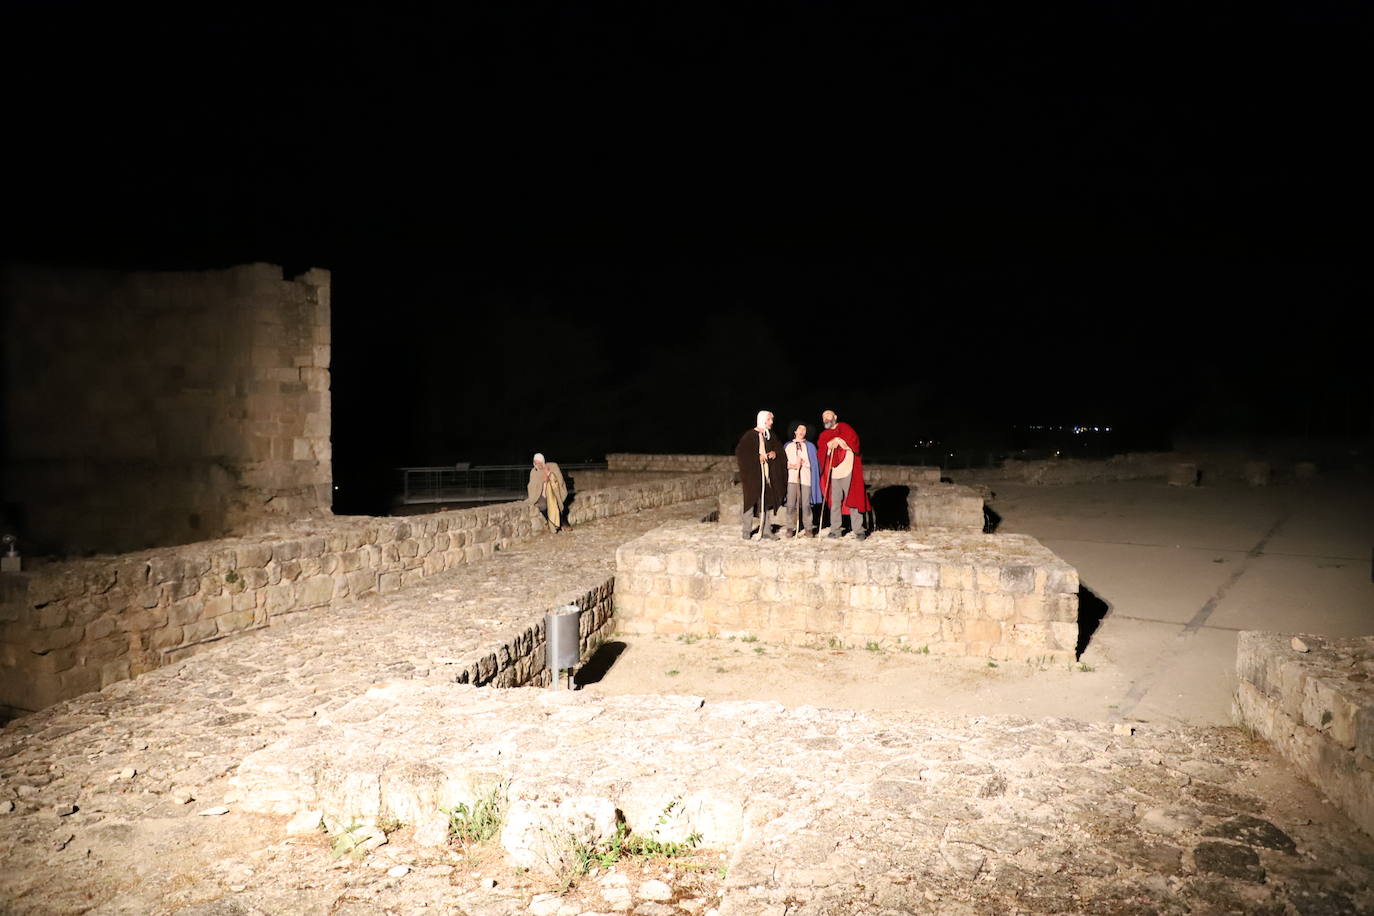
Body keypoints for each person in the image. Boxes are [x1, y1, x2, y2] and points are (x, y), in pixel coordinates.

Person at [816, 409, 871, 539]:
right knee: (835, 503)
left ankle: (859, 530)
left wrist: (839, 440)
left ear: (835, 417)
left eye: (828, 415)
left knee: (853, 500)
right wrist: (829, 445)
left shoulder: (845, 428)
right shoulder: (824, 434)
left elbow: (855, 443)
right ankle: (835, 530)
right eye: (824, 417)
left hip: (848, 470)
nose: (826, 418)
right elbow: (821, 451)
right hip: (834, 473)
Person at [734, 410, 787, 540]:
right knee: (750, 502)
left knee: (766, 502)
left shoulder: (770, 436)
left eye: (771, 420)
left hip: (767, 475)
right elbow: (741, 453)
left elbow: (779, 450)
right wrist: (757, 457)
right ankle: (746, 531)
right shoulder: (750, 435)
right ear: (762, 420)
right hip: (752, 476)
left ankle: (766, 530)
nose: (771, 422)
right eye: (769, 420)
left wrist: (774, 453)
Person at [783, 420, 821, 537]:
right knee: (790, 504)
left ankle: (808, 528)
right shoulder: (788, 446)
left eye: (804, 430)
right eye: (799, 429)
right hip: (792, 479)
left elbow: (814, 464)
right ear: (795, 431)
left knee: (806, 505)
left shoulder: (809, 446)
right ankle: (790, 527)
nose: (802, 431)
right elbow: (782, 463)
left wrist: (804, 463)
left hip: (805, 479)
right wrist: (792, 465)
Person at [526, 453, 569, 531]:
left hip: (553, 492)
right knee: (542, 505)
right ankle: (551, 522)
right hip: (541, 494)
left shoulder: (552, 466)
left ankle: (563, 522)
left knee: (556, 503)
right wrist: (543, 480)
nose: (537, 464)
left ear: (543, 461)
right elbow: (532, 485)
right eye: (536, 462)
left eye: (539, 462)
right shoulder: (533, 472)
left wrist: (549, 474)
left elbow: (559, 479)